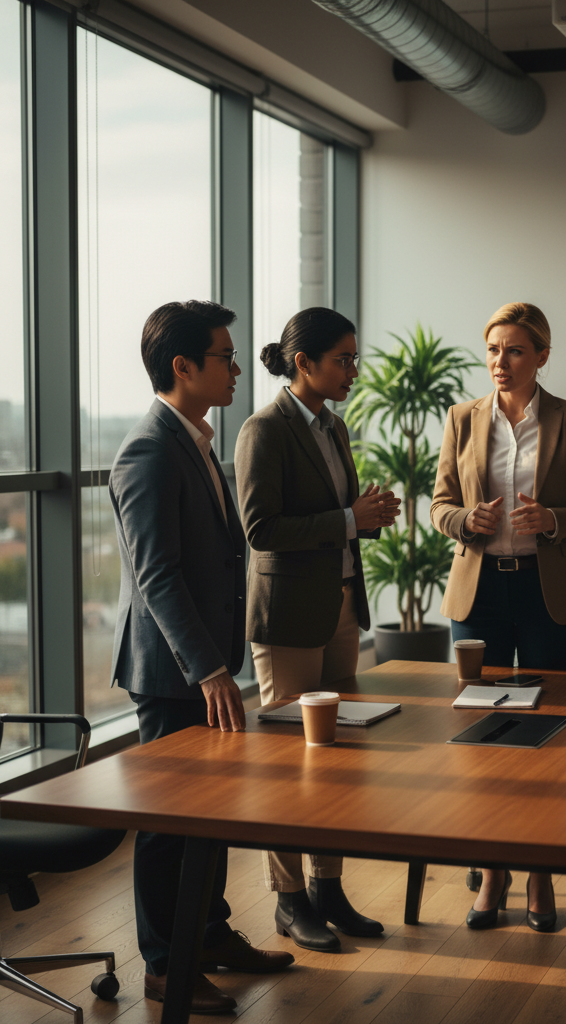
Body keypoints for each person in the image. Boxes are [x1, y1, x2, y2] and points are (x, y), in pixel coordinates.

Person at [109, 300, 294, 1015]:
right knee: (166, 823)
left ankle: (209, 935)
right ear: (183, 366)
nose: (238, 367)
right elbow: (157, 575)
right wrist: (209, 668)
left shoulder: (195, 438)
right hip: (175, 671)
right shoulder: (149, 449)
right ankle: (164, 965)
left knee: (210, 812)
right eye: (224, 356)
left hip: (207, 661)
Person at [430, 301, 566, 933]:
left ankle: (538, 875)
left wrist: (554, 520)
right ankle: (494, 874)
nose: (499, 363)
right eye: (493, 350)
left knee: (545, 742)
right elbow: (440, 502)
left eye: (513, 351)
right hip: (478, 597)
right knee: (480, 739)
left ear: (541, 356)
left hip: (545, 595)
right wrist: (464, 520)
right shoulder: (461, 418)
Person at [234, 307, 400, 953]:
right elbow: (261, 532)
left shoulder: (333, 425)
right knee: (286, 767)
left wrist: (368, 518)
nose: (353, 371)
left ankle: (328, 888)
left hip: (338, 608)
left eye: (355, 358)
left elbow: (339, 520)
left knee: (336, 759)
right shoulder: (264, 429)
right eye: (343, 360)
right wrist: (349, 519)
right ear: (304, 363)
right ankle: (288, 899)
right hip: (287, 619)